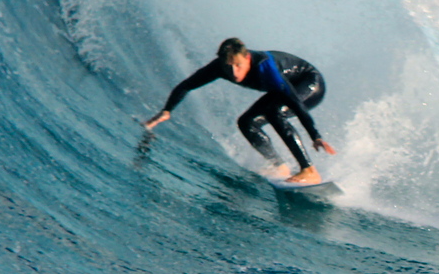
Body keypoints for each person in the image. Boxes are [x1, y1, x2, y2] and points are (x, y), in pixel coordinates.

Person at [144, 38, 337, 184]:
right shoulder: (220, 67)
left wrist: (315, 136)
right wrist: (167, 110)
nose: (234, 73)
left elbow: (295, 102)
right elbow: (186, 85)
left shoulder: (265, 68)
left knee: (273, 112)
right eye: (229, 67)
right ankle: (279, 167)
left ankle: (309, 170)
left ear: (247, 58)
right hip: (285, 88)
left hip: (310, 83)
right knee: (246, 122)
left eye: (238, 66)